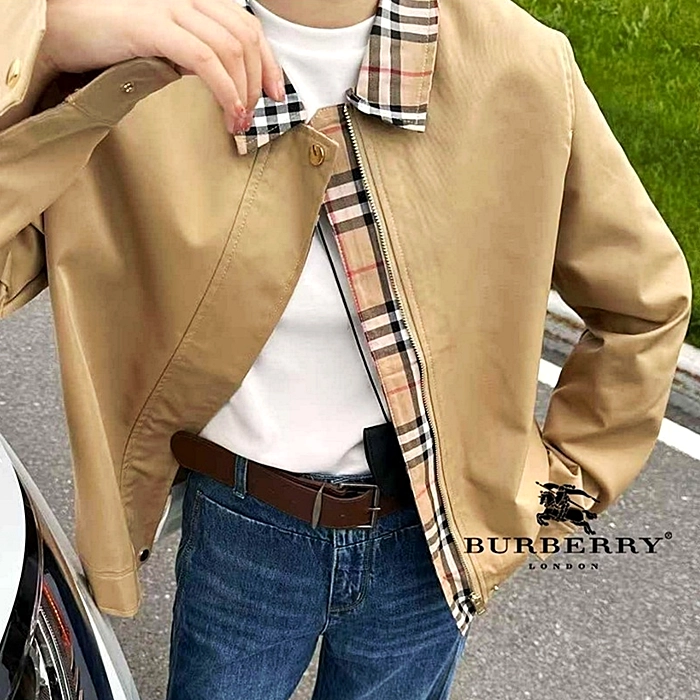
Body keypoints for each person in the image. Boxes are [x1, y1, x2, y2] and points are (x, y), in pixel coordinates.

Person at [0, 0, 691, 698]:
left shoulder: (518, 63)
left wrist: (551, 502)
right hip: (243, 531)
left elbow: (645, 302)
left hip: (431, 544)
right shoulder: (133, 54)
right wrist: (40, 40)